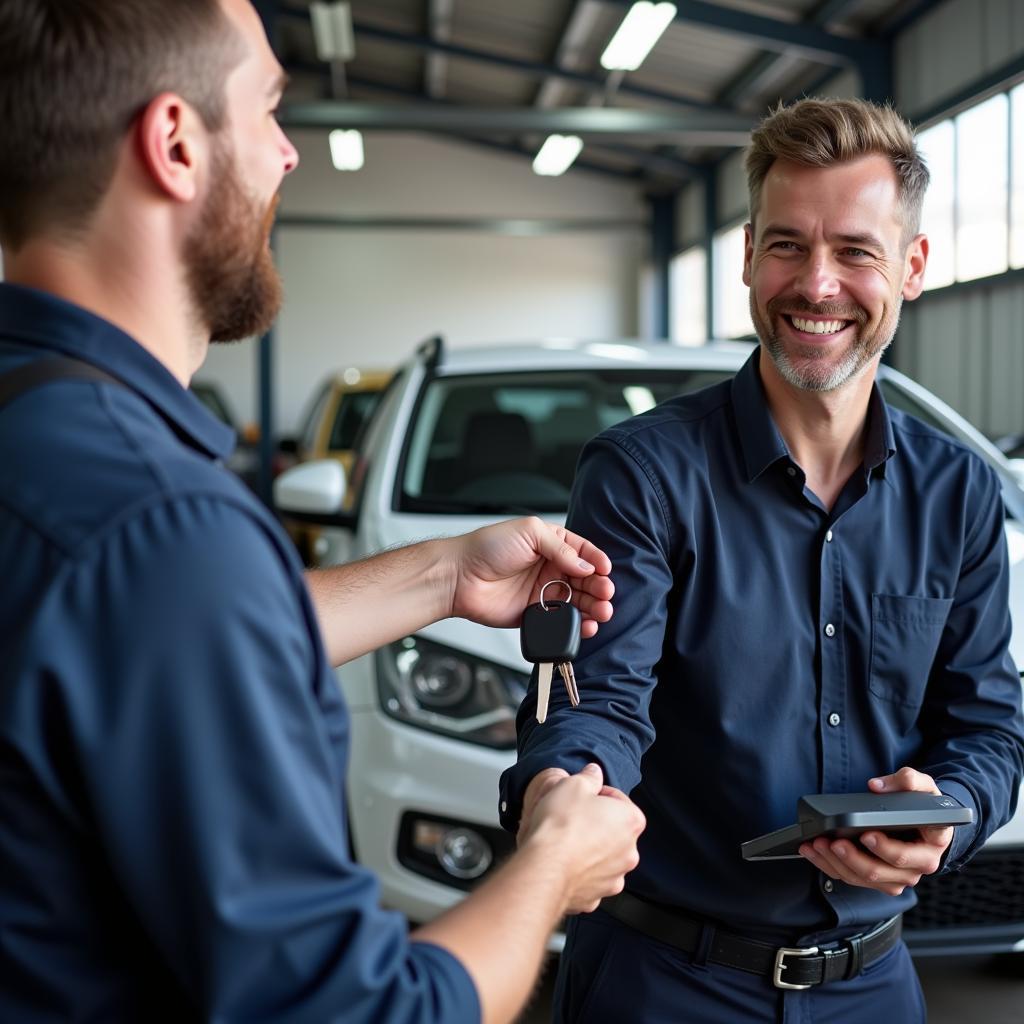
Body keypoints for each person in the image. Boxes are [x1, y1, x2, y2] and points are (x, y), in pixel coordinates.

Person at [0, 2, 647, 1022]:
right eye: (267, 109)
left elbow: (146, 646)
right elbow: (354, 1011)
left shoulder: (48, 442)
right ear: (173, 143)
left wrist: (440, 573)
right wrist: (551, 866)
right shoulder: (159, 524)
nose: (289, 155)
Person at [500, 97, 1024, 1022]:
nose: (816, 284)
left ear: (911, 267)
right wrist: (559, 798)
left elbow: (990, 725)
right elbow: (601, 701)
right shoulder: (642, 474)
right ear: (747, 254)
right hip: (666, 983)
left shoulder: (961, 494)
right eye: (787, 245)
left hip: (873, 985)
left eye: (855, 251)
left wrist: (950, 812)